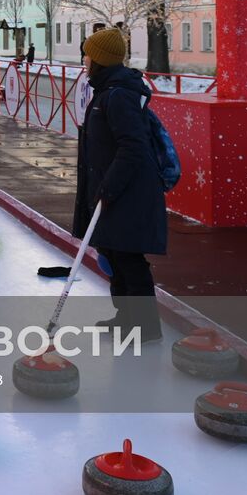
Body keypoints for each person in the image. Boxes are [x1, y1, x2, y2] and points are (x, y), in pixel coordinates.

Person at [71, 27, 166, 342]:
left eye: (88, 54)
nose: (84, 59)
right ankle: (126, 318)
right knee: (112, 254)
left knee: (128, 258)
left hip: (127, 192)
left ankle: (145, 327)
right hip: (111, 190)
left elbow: (133, 147)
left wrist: (109, 188)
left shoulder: (119, 95)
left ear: (98, 60)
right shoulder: (106, 89)